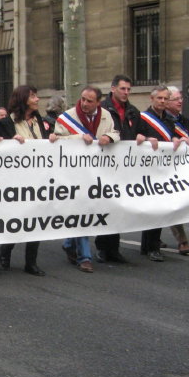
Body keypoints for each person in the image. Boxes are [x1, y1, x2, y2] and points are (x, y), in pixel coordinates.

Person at [0, 85, 58, 276]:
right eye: (33, 96)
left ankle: (31, 262)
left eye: (37, 96)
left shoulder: (40, 120)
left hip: (37, 179)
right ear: (23, 99)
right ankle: (6, 250)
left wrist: (52, 139)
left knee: (35, 220)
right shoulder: (7, 122)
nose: (37, 99)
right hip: (17, 181)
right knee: (17, 219)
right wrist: (9, 141)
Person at [54, 86, 120, 273]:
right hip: (73, 175)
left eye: (90, 101)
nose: (84, 103)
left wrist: (108, 136)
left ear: (98, 102)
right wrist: (78, 137)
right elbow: (55, 140)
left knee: (89, 212)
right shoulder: (66, 117)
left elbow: (116, 133)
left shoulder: (106, 116)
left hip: (97, 174)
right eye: (83, 99)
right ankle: (84, 257)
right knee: (81, 213)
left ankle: (68, 243)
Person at [94, 75, 139, 264]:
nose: (126, 92)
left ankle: (114, 248)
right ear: (113, 89)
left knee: (118, 206)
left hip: (124, 165)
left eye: (129, 89)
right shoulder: (103, 109)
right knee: (106, 205)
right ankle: (103, 247)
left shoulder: (133, 111)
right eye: (123, 89)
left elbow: (137, 132)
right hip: (105, 163)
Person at [135, 85, 182, 262]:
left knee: (160, 209)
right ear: (152, 99)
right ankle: (150, 247)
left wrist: (177, 139)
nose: (162, 101)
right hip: (147, 170)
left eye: (165, 98)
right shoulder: (143, 118)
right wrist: (146, 139)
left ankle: (150, 246)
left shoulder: (169, 121)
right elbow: (135, 139)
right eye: (159, 98)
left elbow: (172, 138)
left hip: (163, 171)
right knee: (151, 209)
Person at [164, 86, 189, 254]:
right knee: (170, 204)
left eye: (181, 98)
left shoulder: (183, 120)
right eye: (176, 99)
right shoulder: (162, 120)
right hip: (165, 168)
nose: (180, 101)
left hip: (181, 168)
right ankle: (182, 240)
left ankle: (152, 240)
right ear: (167, 102)